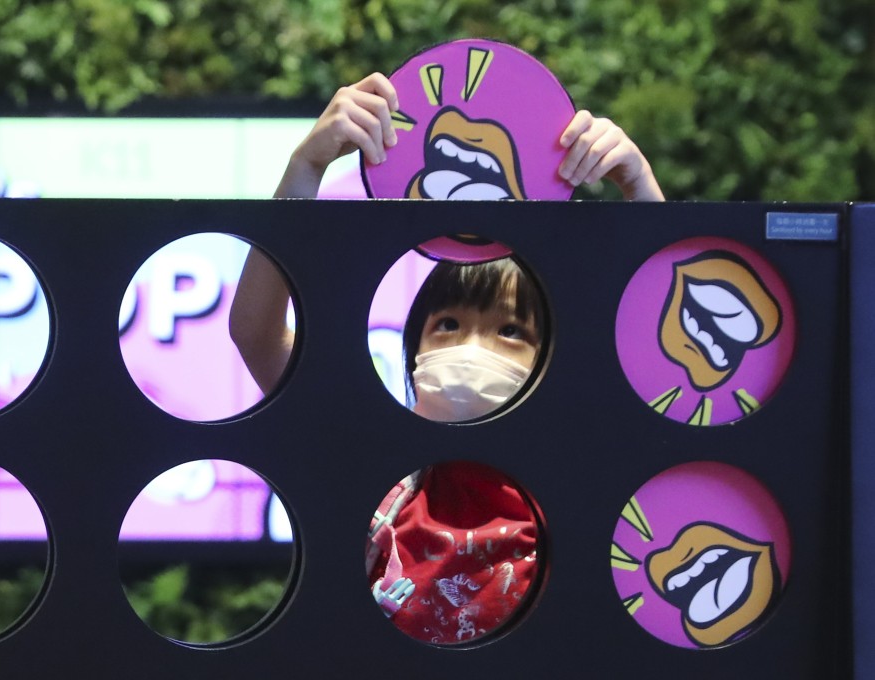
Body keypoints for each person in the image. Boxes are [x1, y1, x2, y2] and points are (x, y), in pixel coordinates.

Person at [229, 71, 663, 644]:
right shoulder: (378, 463)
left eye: (510, 330)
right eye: (449, 324)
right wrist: (304, 170)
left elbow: (661, 357)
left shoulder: (588, 473)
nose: (469, 348)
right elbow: (255, 333)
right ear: (415, 346)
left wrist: (640, 187)